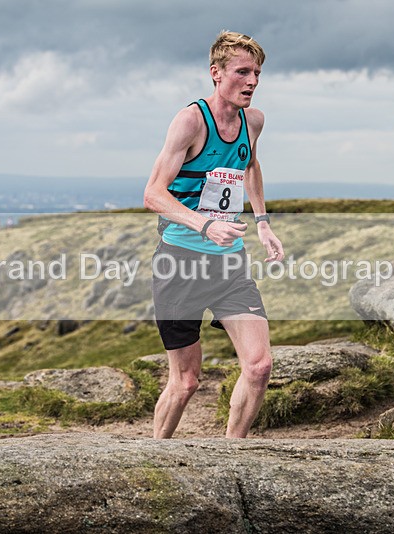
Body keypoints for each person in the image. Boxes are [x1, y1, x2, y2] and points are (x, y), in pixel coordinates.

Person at [143, 31, 284, 439]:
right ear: (216, 73)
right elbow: (153, 194)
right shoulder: (190, 121)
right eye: (242, 72)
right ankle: (154, 456)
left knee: (259, 367)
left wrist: (262, 222)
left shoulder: (252, 121)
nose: (252, 81)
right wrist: (205, 224)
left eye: (257, 73)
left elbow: (250, 165)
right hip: (180, 265)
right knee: (185, 382)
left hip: (229, 265)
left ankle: (231, 456)